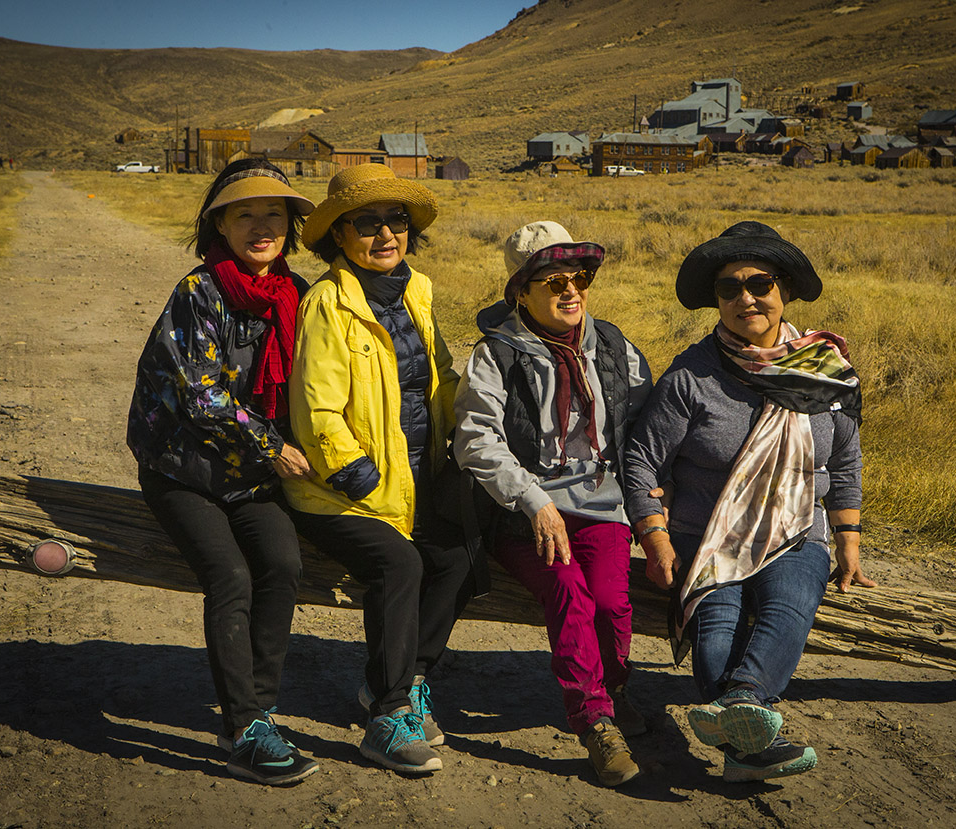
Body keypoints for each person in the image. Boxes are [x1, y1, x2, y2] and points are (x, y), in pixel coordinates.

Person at [622, 221, 875, 784]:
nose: (745, 299)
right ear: (716, 301)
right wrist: (657, 539)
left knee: (787, 604)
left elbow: (844, 463)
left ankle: (741, 704)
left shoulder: (826, 370)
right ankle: (751, 740)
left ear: (783, 290)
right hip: (705, 531)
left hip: (796, 529)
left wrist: (848, 542)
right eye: (729, 289)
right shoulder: (692, 375)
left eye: (759, 284)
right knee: (716, 628)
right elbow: (641, 459)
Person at [127, 158, 320, 785]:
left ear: (290, 225)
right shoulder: (199, 292)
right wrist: (273, 447)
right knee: (231, 576)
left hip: (249, 473)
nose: (261, 227)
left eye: (274, 214)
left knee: (284, 565)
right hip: (181, 467)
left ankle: (260, 709)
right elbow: (200, 395)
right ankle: (243, 727)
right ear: (220, 225)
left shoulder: (296, 294)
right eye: (245, 215)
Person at [285, 163, 474, 775]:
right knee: (399, 562)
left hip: (419, 474)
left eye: (395, 221)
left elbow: (439, 378)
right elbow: (317, 411)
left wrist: (468, 445)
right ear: (338, 236)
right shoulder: (327, 304)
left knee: (462, 547)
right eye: (366, 223)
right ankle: (388, 718)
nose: (386, 234)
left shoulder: (416, 289)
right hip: (340, 491)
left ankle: (406, 677)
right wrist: (360, 478)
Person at [454, 221, 653, 787]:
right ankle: (594, 721)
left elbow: (643, 422)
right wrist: (532, 499)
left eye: (580, 278)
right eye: (554, 281)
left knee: (613, 601)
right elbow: (475, 437)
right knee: (567, 590)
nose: (572, 291)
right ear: (521, 291)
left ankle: (613, 690)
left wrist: (649, 491)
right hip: (524, 511)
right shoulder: (497, 353)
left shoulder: (613, 346)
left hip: (601, 502)